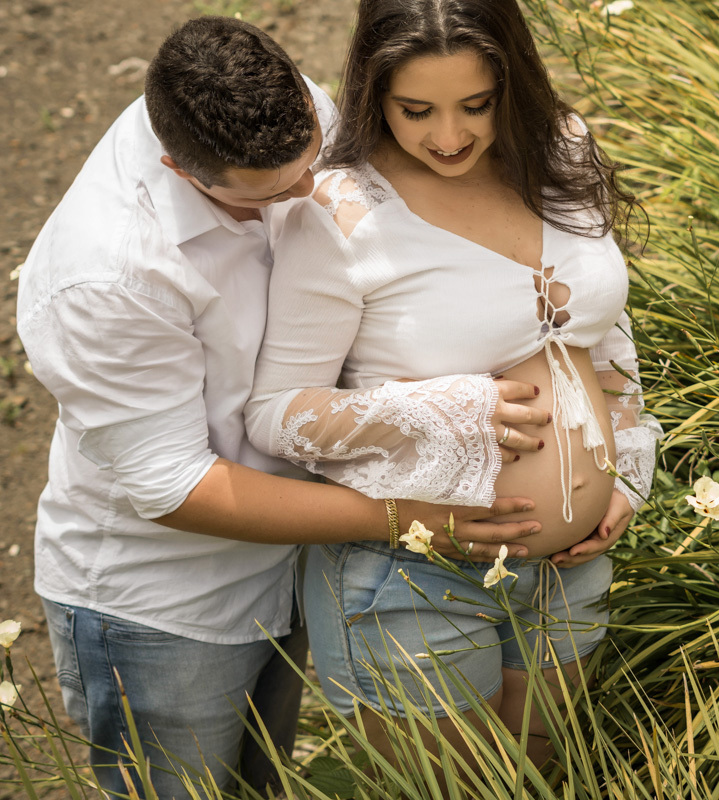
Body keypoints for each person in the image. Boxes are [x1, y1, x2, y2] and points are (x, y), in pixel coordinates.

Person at [16, 15, 548, 799]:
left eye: (311, 162)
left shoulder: (291, 116)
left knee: (262, 784)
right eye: (271, 196)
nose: (314, 194)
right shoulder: (108, 276)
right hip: (167, 606)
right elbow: (173, 487)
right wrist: (402, 519)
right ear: (180, 167)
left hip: (294, 557)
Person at [243, 0, 661, 768]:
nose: (449, 136)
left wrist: (628, 464)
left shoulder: (563, 152)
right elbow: (278, 416)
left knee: (540, 777)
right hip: (412, 572)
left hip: (566, 578)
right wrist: (443, 409)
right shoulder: (339, 214)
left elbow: (601, 326)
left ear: (515, 83)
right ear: (374, 92)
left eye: (477, 104)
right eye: (415, 110)